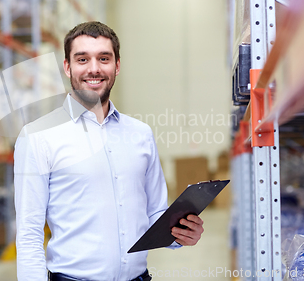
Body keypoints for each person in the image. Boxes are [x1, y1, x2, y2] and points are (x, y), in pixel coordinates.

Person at [14, 21, 204, 281]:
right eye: (82, 59)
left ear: (117, 66)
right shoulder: (38, 136)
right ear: (67, 67)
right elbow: (29, 232)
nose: (94, 69)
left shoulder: (140, 134)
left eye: (104, 58)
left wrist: (180, 234)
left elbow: (155, 214)